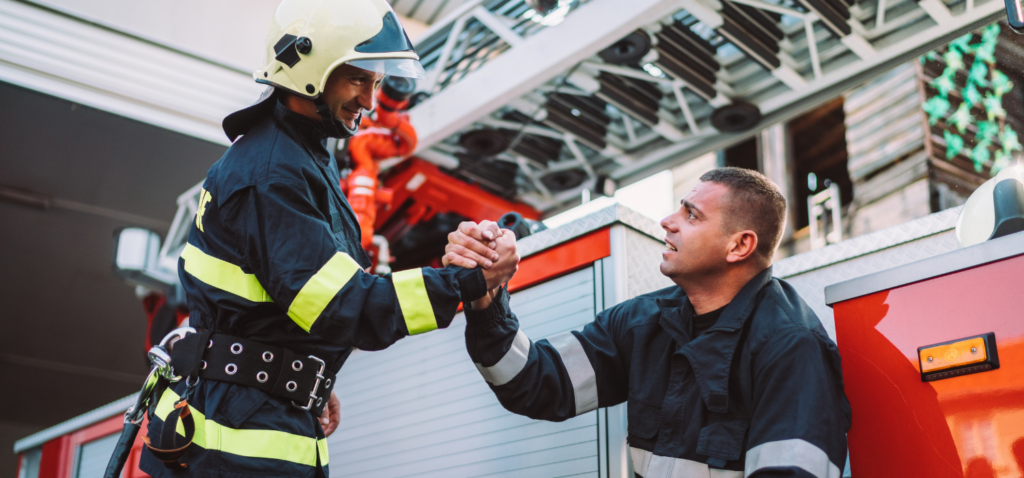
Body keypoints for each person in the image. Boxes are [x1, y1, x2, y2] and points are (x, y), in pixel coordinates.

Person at [138, 0, 516, 476]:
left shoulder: (299, 156)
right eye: (359, 79)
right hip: (231, 444)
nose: (370, 101)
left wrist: (299, 372)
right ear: (310, 68)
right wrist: (464, 282)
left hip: (245, 418)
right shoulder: (274, 173)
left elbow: (279, 307)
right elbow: (339, 304)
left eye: (375, 84)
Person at [445, 167, 853, 477]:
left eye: (691, 216)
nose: (667, 221)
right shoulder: (642, 323)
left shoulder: (789, 347)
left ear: (740, 245)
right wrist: (487, 296)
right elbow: (533, 384)